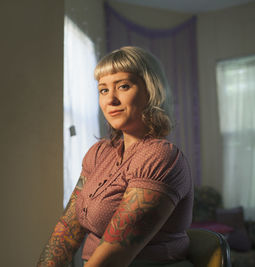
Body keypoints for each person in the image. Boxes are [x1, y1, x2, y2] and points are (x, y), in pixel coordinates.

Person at [37, 46, 193, 267]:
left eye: (123, 86)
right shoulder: (99, 153)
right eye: (103, 90)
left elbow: (112, 259)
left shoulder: (161, 157)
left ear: (151, 91)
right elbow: (66, 231)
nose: (111, 100)